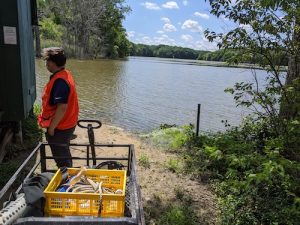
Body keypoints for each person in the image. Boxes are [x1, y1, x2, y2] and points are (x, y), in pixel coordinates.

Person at [38, 47, 79, 168]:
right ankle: (68, 174)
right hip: (68, 122)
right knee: (64, 152)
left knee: (62, 158)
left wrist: (51, 128)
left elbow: (62, 108)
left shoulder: (60, 81)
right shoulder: (65, 74)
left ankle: (67, 180)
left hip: (60, 127)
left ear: (51, 62)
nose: (46, 64)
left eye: (46, 61)